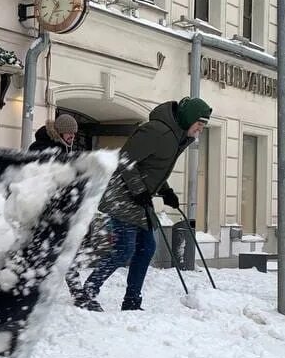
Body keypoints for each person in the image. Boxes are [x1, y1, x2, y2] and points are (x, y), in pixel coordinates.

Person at [72, 97, 212, 312]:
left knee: (147, 248)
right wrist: (138, 191)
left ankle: (131, 301)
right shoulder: (156, 131)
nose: (199, 130)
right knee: (123, 250)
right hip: (121, 197)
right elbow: (125, 160)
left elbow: (152, 169)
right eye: (199, 125)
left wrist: (166, 192)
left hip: (138, 199)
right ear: (188, 119)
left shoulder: (176, 137)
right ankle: (89, 291)